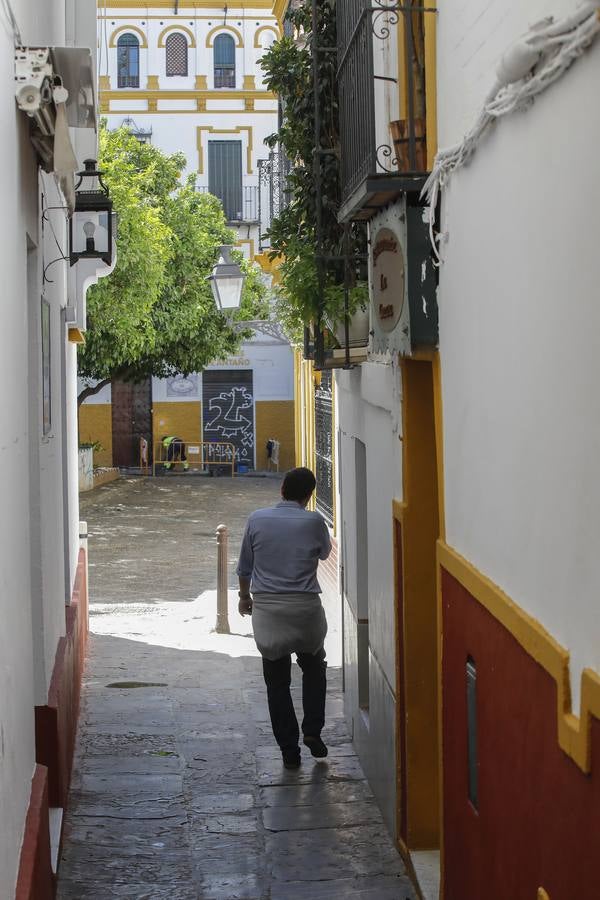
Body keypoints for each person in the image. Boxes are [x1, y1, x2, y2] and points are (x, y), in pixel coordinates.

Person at [237, 467, 332, 769]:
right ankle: (313, 731)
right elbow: (325, 554)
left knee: (276, 682)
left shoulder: (256, 519)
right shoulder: (315, 520)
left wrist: (244, 597)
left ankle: (289, 750)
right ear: (309, 495)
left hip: (269, 611)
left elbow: (244, 567)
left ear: (282, 490)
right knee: (314, 667)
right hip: (305, 609)